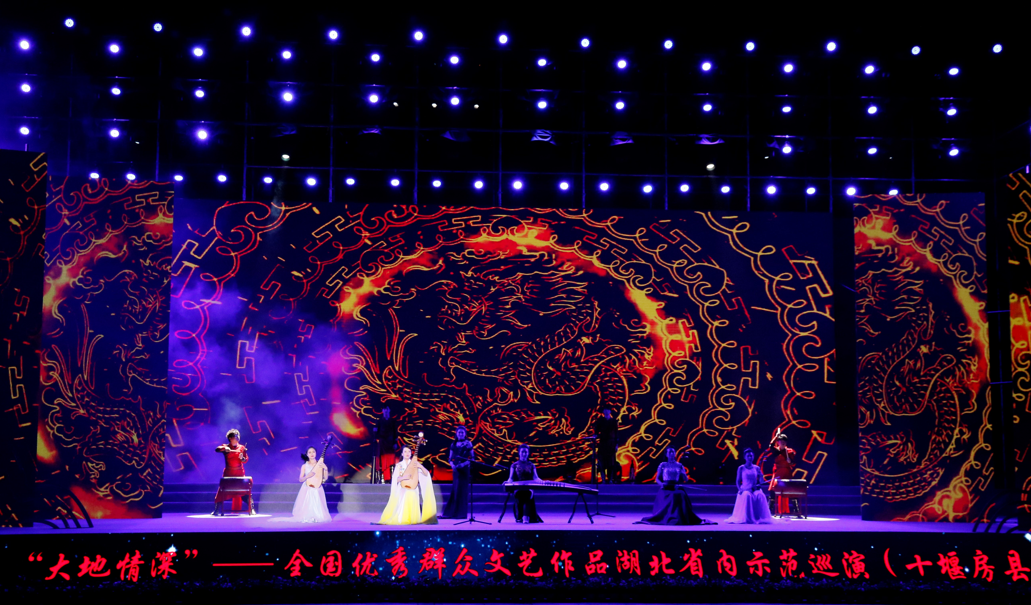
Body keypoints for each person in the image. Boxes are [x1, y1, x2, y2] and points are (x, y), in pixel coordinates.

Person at [636, 447, 713, 525]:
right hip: (666, 487)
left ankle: (680, 517)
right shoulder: (663, 465)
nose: (672, 454)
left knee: (681, 494)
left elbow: (685, 479)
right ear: (666, 454)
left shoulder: (679, 465)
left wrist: (683, 473)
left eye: (673, 452)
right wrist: (662, 484)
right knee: (671, 496)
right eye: (670, 452)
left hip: (676, 486)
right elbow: (657, 479)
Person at [376, 445, 437, 525]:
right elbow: (395, 479)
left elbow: (426, 474)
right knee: (405, 492)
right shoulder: (399, 465)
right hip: (402, 488)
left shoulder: (414, 464)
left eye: (409, 451)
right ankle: (402, 518)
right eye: (405, 451)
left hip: (413, 488)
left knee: (412, 492)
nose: (407, 453)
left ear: (411, 453)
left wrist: (420, 466)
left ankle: (412, 518)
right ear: (402, 454)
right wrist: (403, 478)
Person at [726, 448, 773, 524]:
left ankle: (760, 517)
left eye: (751, 456)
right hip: (745, 489)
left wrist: (761, 476)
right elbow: (738, 481)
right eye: (748, 456)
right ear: (745, 457)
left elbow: (761, 482)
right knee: (747, 495)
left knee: (761, 495)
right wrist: (740, 489)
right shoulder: (741, 468)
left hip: (754, 489)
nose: (750, 457)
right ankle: (748, 518)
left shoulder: (756, 468)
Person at [440, 426, 474, 519]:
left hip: (464, 470)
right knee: (455, 490)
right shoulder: (453, 444)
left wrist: (463, 464)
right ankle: (452, 512)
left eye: (462, 432)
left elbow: (472, 458)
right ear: (456, 433)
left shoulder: (468, 444)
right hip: (456, 469)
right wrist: (452, 465)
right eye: (459, 432)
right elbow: (450, 458)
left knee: (463, 491)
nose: (460, 434)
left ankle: (461, 514)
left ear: (465, 434)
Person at [292, 445, 332, 523]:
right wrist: (307, 476)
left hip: (318, 488)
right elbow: (300, 479)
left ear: (316, 453)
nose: (312, 454)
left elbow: (325, 478)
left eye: (313, 452)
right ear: (307, 454)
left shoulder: (320, 464)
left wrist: (325, 468)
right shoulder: (304, 466)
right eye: (309, 452)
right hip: (308, 488)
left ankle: (317, 516)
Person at [213, 429, 249, 513]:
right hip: (229, 473)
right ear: (230, 438)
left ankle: (252, 509)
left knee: (244, 492)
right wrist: (224, 448)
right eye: (236, 436)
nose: (238, 437)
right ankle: (216, 510)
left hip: (239, 473)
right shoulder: (226, 446)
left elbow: (245, 459)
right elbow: (217, 449)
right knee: (221, 491)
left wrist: (242, 459)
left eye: (238, 436)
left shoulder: (242, 447)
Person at [507, 444, 543, 523]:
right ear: (519, 453)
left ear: (528, 453)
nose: (524, 454)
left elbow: (536, 477)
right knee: (521, 495)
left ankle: (525, 516)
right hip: (518, 488)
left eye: (526, 452)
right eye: (522, 452)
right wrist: (508, 482)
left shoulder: (531, 465)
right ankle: (522, 516)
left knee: (528, 494)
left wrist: (541, 481)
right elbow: (511, 478)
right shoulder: (514, 465)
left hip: (528, 488)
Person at [767, 433, 796, 516]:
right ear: (778, 442)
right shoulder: (776, 451)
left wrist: (790, 462)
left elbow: (794, 463)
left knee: (792, 492)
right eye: (781, 441)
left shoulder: (790, 451)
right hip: (778, 474)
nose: (783, 443)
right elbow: (770, 445)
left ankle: (796, 511)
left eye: (784, 441)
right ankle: (768, 512)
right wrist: (776, 436)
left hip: (787, 474)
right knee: (773, 492)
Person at [374, 406, 398, 483]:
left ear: (389, 410)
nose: (386, 411)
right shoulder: (379, 421)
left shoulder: (393, 421)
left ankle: (391, 478)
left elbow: (395, 432)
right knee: (382, 460)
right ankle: (382, 478)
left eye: (387, 409)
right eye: (385, 409)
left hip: (390, 444)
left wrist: (395, 442)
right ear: (383, 411)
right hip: (382, 443)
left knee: (391, 460)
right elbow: (376, 432)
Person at [595, 409, 620, 483]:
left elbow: (616, 433)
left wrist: (616, 444)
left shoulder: (614, 421)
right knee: (602, 461)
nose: (606, 412)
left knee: (611, 462)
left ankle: (610, 479)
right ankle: (603, 479)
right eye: (605, 410)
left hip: (611, 443)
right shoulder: (600, 421)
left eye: (607, 410)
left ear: (610, 412)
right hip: (603, 443)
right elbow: (596, 431)